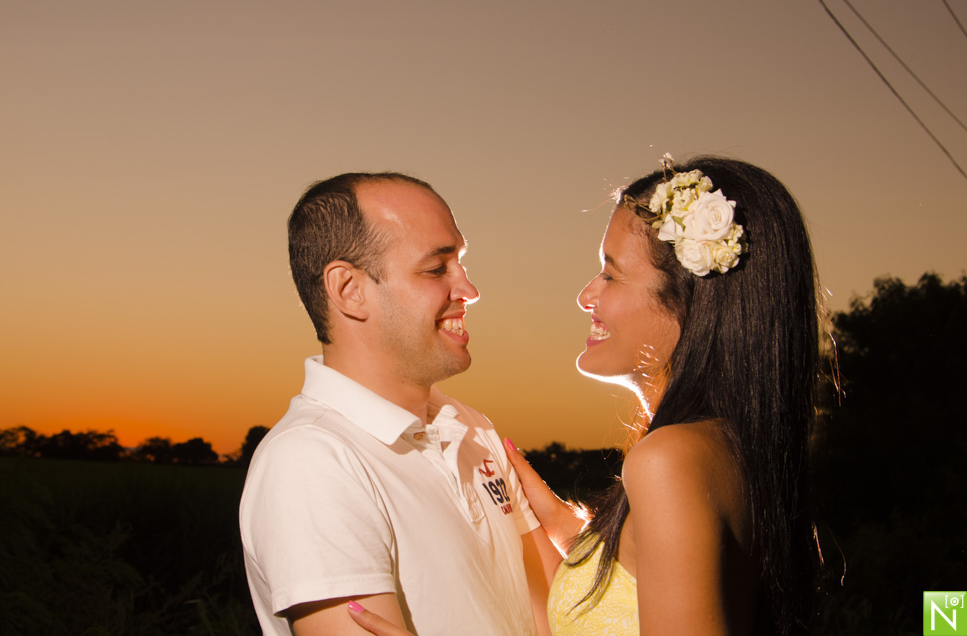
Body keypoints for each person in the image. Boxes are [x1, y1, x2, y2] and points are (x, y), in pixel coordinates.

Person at [350, 155, 824, 636]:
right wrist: (567, 528)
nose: (586, 296)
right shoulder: (727, 449)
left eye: (611, 274)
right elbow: (652, 585)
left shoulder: (668, 461)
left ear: (689, 307)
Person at [240, 172, 560, 636]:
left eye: (461, 263)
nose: (469, 290)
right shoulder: (312, 461)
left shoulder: (472, 428)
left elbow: (558, 614)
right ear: (349, 289)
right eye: (436, 269)